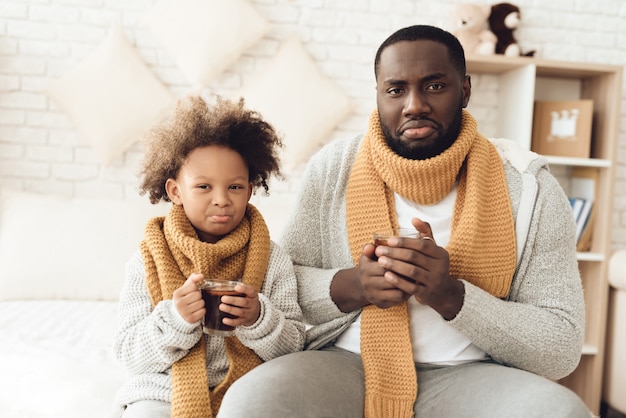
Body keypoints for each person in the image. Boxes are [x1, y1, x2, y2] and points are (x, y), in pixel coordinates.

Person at [218, 25, 590, 418]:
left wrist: (450, 295)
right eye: (396, 90)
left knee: (562, 413)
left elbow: (560, 345)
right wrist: (356, 285)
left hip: (472, 376)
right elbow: (280, 291)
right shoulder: (333, 169)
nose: (414, 105)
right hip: (346, 365)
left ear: (464, 91)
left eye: (434, 86)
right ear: (378, 96)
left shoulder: (530, 187)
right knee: (251, 403)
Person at [113, 94, 305, 418]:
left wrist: (258, 317)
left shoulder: (272, 260)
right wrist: (176, 318)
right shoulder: (147, 259)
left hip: (248, 390)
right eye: (204, 187)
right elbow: (129, 355)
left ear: (250, 189)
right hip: (165, 392)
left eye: (234, 187)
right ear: (175, 191)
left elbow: (294, 347)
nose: (221, 200)